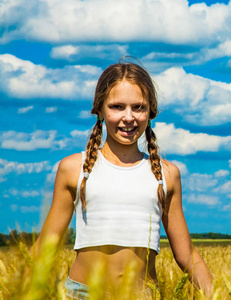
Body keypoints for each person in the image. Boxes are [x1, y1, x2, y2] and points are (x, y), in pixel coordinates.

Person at [29, 60, 213, 299]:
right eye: (117, 107)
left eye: (138, 107)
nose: (129, 117)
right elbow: (46, 247)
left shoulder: (166, 175)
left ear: (151, 112)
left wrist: (218, 294)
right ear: (100, 110)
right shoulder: (74, 168)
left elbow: (186, 255)